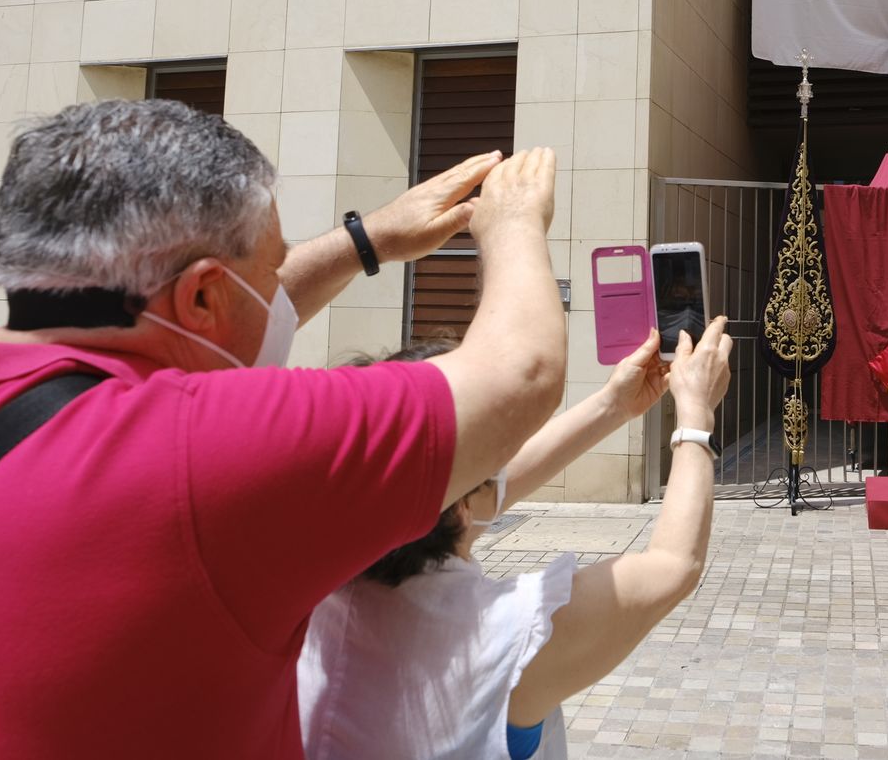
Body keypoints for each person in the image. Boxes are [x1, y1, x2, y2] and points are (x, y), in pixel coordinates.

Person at [0, 99, 566, 760]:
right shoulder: (198, 453)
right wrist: (512, 223)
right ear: (204, 295)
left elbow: (197, 318)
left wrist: (367, 240)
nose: (277, 291)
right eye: (269, 271)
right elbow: (519, 376)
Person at [298, 319, 733, 760]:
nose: (503, 458)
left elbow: (476, 492)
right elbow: (673, 565)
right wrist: (696, 414)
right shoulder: (505, 639)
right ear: (463, 501)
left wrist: (612, 405)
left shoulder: (309, 596)